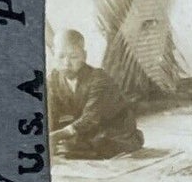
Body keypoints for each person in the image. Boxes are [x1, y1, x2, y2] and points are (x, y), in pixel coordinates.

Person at [48, 29, 144, 159]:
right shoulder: (53, 78)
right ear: (53, 54)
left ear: (84, 56)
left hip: (113, 129)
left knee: (72, 148)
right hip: (84, 130)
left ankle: (132, 139)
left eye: (74, 56)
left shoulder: (99, 78)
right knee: (61, 145)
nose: (67, 63)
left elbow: (90, 118)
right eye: (61, 56)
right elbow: (51, 113)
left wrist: (56, 136)